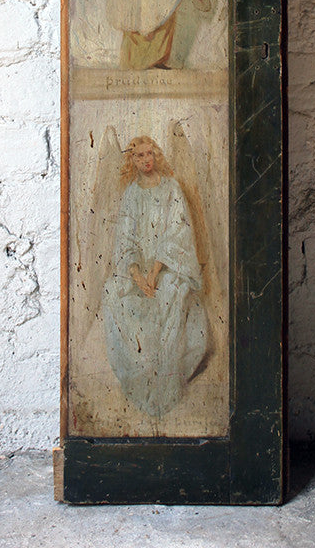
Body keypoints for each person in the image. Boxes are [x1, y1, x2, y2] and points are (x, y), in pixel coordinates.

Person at [102, 136, 208, 418]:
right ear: (132, 160)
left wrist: (155, 270)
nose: (145, 159)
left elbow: (178, 231)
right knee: (113, 291)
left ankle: (165, 377)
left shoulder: (172, 188)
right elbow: (125, 239)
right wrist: (137, 274)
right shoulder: (131, 194)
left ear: (156, 155)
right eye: (139, 156)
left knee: (172, 290)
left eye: (149, 153)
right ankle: (140, 372)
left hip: (168, 267)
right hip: (140, 271)